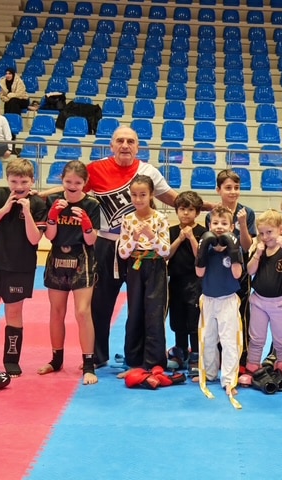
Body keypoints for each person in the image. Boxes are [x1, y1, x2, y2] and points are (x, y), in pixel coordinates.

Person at [77, 126, 178, 368]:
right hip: (106, 243)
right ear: (111, 145)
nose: (125, 145)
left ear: (137, 146)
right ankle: (97, 356)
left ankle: (139, 357)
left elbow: (173, 199)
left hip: (141, 249)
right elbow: (72, 188)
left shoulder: (148, 172)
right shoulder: (95, 169)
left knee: (141, 305)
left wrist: (205, 206)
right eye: (120, 141)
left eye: (130, 141)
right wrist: (40, 194)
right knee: (100, 302)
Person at [0, 159, 47, 376]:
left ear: (32, 181)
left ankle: (11, 359)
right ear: (7, 179)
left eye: (24, 182)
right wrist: (5, 209)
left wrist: (27, 212)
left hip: (20, 267)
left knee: (14, 313)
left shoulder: (37, 204)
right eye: (14, 181)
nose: (19, 186)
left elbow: (35, 239)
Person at [38, 160, 100, 385]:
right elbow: (49, 236)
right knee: (56, 311)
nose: (73, 186)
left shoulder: (91, 204)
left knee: (82, 312)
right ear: (61, 180)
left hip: (82, 258)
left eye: (78, 183)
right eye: (68, 181)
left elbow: (91, 240)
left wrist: (86, 224)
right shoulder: (53, 200)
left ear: (85, 183)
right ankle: (56, 360)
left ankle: (89, 365)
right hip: (56, 258)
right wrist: (52, 216)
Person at [117, 175, 171, 371]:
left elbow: (165, 251)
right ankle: (133, 360)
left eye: (142, 195)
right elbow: (123, 253)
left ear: (151, 195)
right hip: (135, 267)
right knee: (134, 312)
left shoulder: (160, 218)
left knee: (154, 313)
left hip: (156, 267)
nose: (138, 199)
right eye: (134, 195)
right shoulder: (128, 219)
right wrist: (134, 238)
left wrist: (151, 236)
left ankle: (154, 362)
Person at [205, 169, 256, 366]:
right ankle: (217, 359)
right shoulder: (212, 215)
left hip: (239, 270)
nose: (233, 192)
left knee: (240, 314)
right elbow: (211, 243)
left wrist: (241, 224)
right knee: (216, 318)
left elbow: (246, 246)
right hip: (217, 270)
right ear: (218, 190)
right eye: (228, 188)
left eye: (236, 187)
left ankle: (241, 360)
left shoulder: (247, 213)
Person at [195, 205, 245, 401]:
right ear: (209, 225)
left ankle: (229, 380)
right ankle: (209, 374)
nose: (219, 226)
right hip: (208, 300)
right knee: (207, 339)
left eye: (224, 223)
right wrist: (201, 252)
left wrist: (233, 252)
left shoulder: (234, 247)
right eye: (215, 223)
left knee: (229, 341)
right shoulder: (206, 247)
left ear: (231, 227)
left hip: (227, 300)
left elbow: (237, 274)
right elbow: (199, 273)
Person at [245, 209, 282, 375]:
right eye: (261, 233)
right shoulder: (259, 251)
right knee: (256, 338)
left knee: (281, 338)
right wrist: (257, 253)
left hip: (280, 304)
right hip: (258, 302)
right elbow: (250, 271)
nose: (265, 237)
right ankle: (252, 366)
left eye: (269, 232)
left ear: (280, 230)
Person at [167, 191, 207, 372]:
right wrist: (179, 238)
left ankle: (196, 354)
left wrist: (191, 238)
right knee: (178, 318)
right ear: (176, 210)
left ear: (197, 212)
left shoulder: (203, 232)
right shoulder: (172, 231)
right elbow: (166, 254)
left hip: (195, 282)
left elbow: (201, 257)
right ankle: (180, 351)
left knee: (194, 318)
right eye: (182, 209)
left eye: (190, 210)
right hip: (176, 280)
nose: (185, 213)